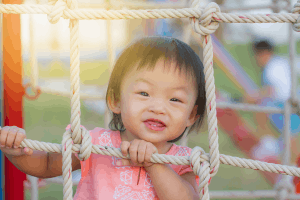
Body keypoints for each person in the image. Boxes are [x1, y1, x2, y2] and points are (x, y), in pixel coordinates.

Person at [0, 37, 206, 200]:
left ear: (191, 115)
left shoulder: (184, 160)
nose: (158, 108)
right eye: (144, 93)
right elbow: (46, 164)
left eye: (175, 99)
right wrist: (17, 152)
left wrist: (154, 163)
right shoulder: (97, 144)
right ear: (115, 100)